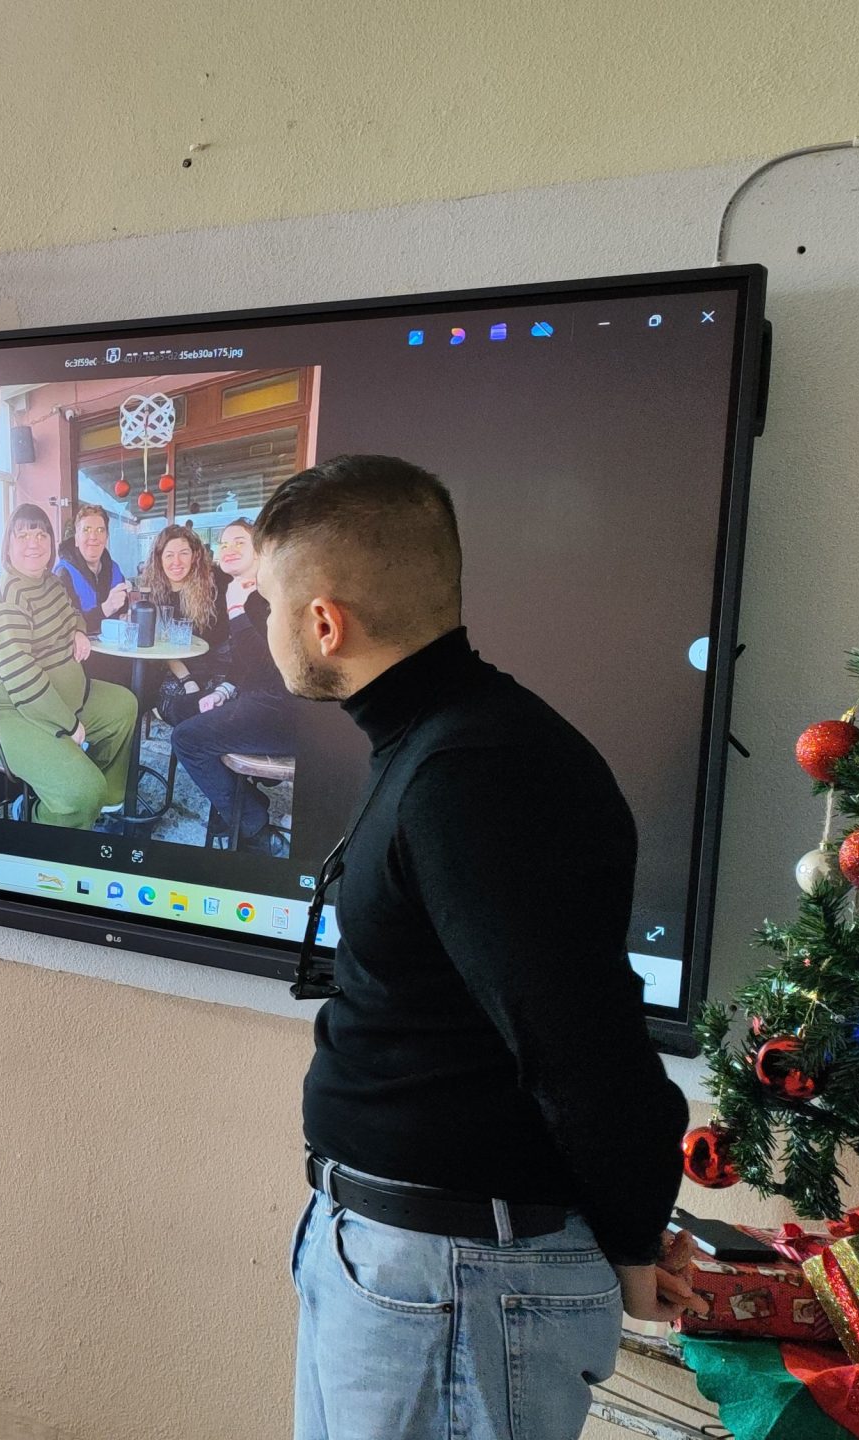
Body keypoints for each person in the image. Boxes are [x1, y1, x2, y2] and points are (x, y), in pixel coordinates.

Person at [255, 456, 699, 1440]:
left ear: (324, 622)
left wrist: (633, 1236)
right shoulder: (437, 743)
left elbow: (578, 1040)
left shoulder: (477, 774)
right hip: (399, 1261)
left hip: (456, 1278)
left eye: (267, 606)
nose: (263, 628)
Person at [0, 504, 137, 827]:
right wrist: (68, 725)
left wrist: (78, 630)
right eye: (23, 535)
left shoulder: (51, 583)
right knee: (82, 793)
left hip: (65, 699)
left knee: (124, 704)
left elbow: (73, 613)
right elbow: (21, 677)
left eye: (41, 534)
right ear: (7, 546)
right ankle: (31, 815)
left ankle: (105, 800)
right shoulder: (7, 594)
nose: (34, 543)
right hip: (12, 711)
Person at [167, 517, 298, 852]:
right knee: (187, 713)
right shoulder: (245, 591)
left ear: (261, 549)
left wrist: (236, 609)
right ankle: (238, 802)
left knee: (186, 739)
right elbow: (243, 663)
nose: (229, 549)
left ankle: (253, 825)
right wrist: (223, 691)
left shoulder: (271, 595)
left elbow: (272, 665)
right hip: (262, 700)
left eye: (239, 542)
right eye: (224, 543)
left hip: (286, 714)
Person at [140, 522, 223, 712]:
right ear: (159, 559)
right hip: (177, 670)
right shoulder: (155, 595)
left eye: (184, 553)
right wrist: (187, 680)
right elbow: (162, 648)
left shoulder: (215, 586)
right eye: (169, 555)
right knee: (182, 707)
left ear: (195, 556)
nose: (176, 562)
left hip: (217, 667)